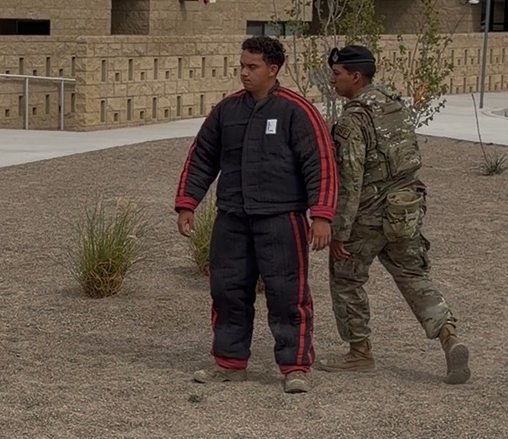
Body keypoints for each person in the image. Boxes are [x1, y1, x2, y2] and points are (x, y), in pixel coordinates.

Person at [175, 35, 338, 394]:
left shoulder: (297, 111)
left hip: (281, 219)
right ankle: (230, 362)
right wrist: (188, 202)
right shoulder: (227, 111)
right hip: (232, 217)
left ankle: (295, 366)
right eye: (242, 66)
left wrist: (322, 214)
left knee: (287, 295)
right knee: (227, 291)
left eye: (252, 67)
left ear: (273, 69)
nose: (244, 73)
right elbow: (202, 156)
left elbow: (320, 162)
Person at [322, 44, 470, 384]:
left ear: (355, 77)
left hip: (368, 215)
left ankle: (359, 352)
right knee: (414, 277)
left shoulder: (352, 119)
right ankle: (449, 336)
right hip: (404, 209)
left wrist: (338, 232)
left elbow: (350, 180)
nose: (333, 80)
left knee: (346, 278)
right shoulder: (395, 106)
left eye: (337, 74)